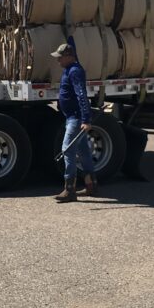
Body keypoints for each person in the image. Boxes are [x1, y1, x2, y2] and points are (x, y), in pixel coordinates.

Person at [51, 39, 96, 202]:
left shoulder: (75, 71)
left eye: (60, 57)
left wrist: (86, 119)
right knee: (83, 151)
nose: (58, 60)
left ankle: (69, 190)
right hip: (72, 117)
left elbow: (81, 95)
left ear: (69, 56)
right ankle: (92, 184)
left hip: (76, 119)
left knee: (67, 150)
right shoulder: (69, 69)